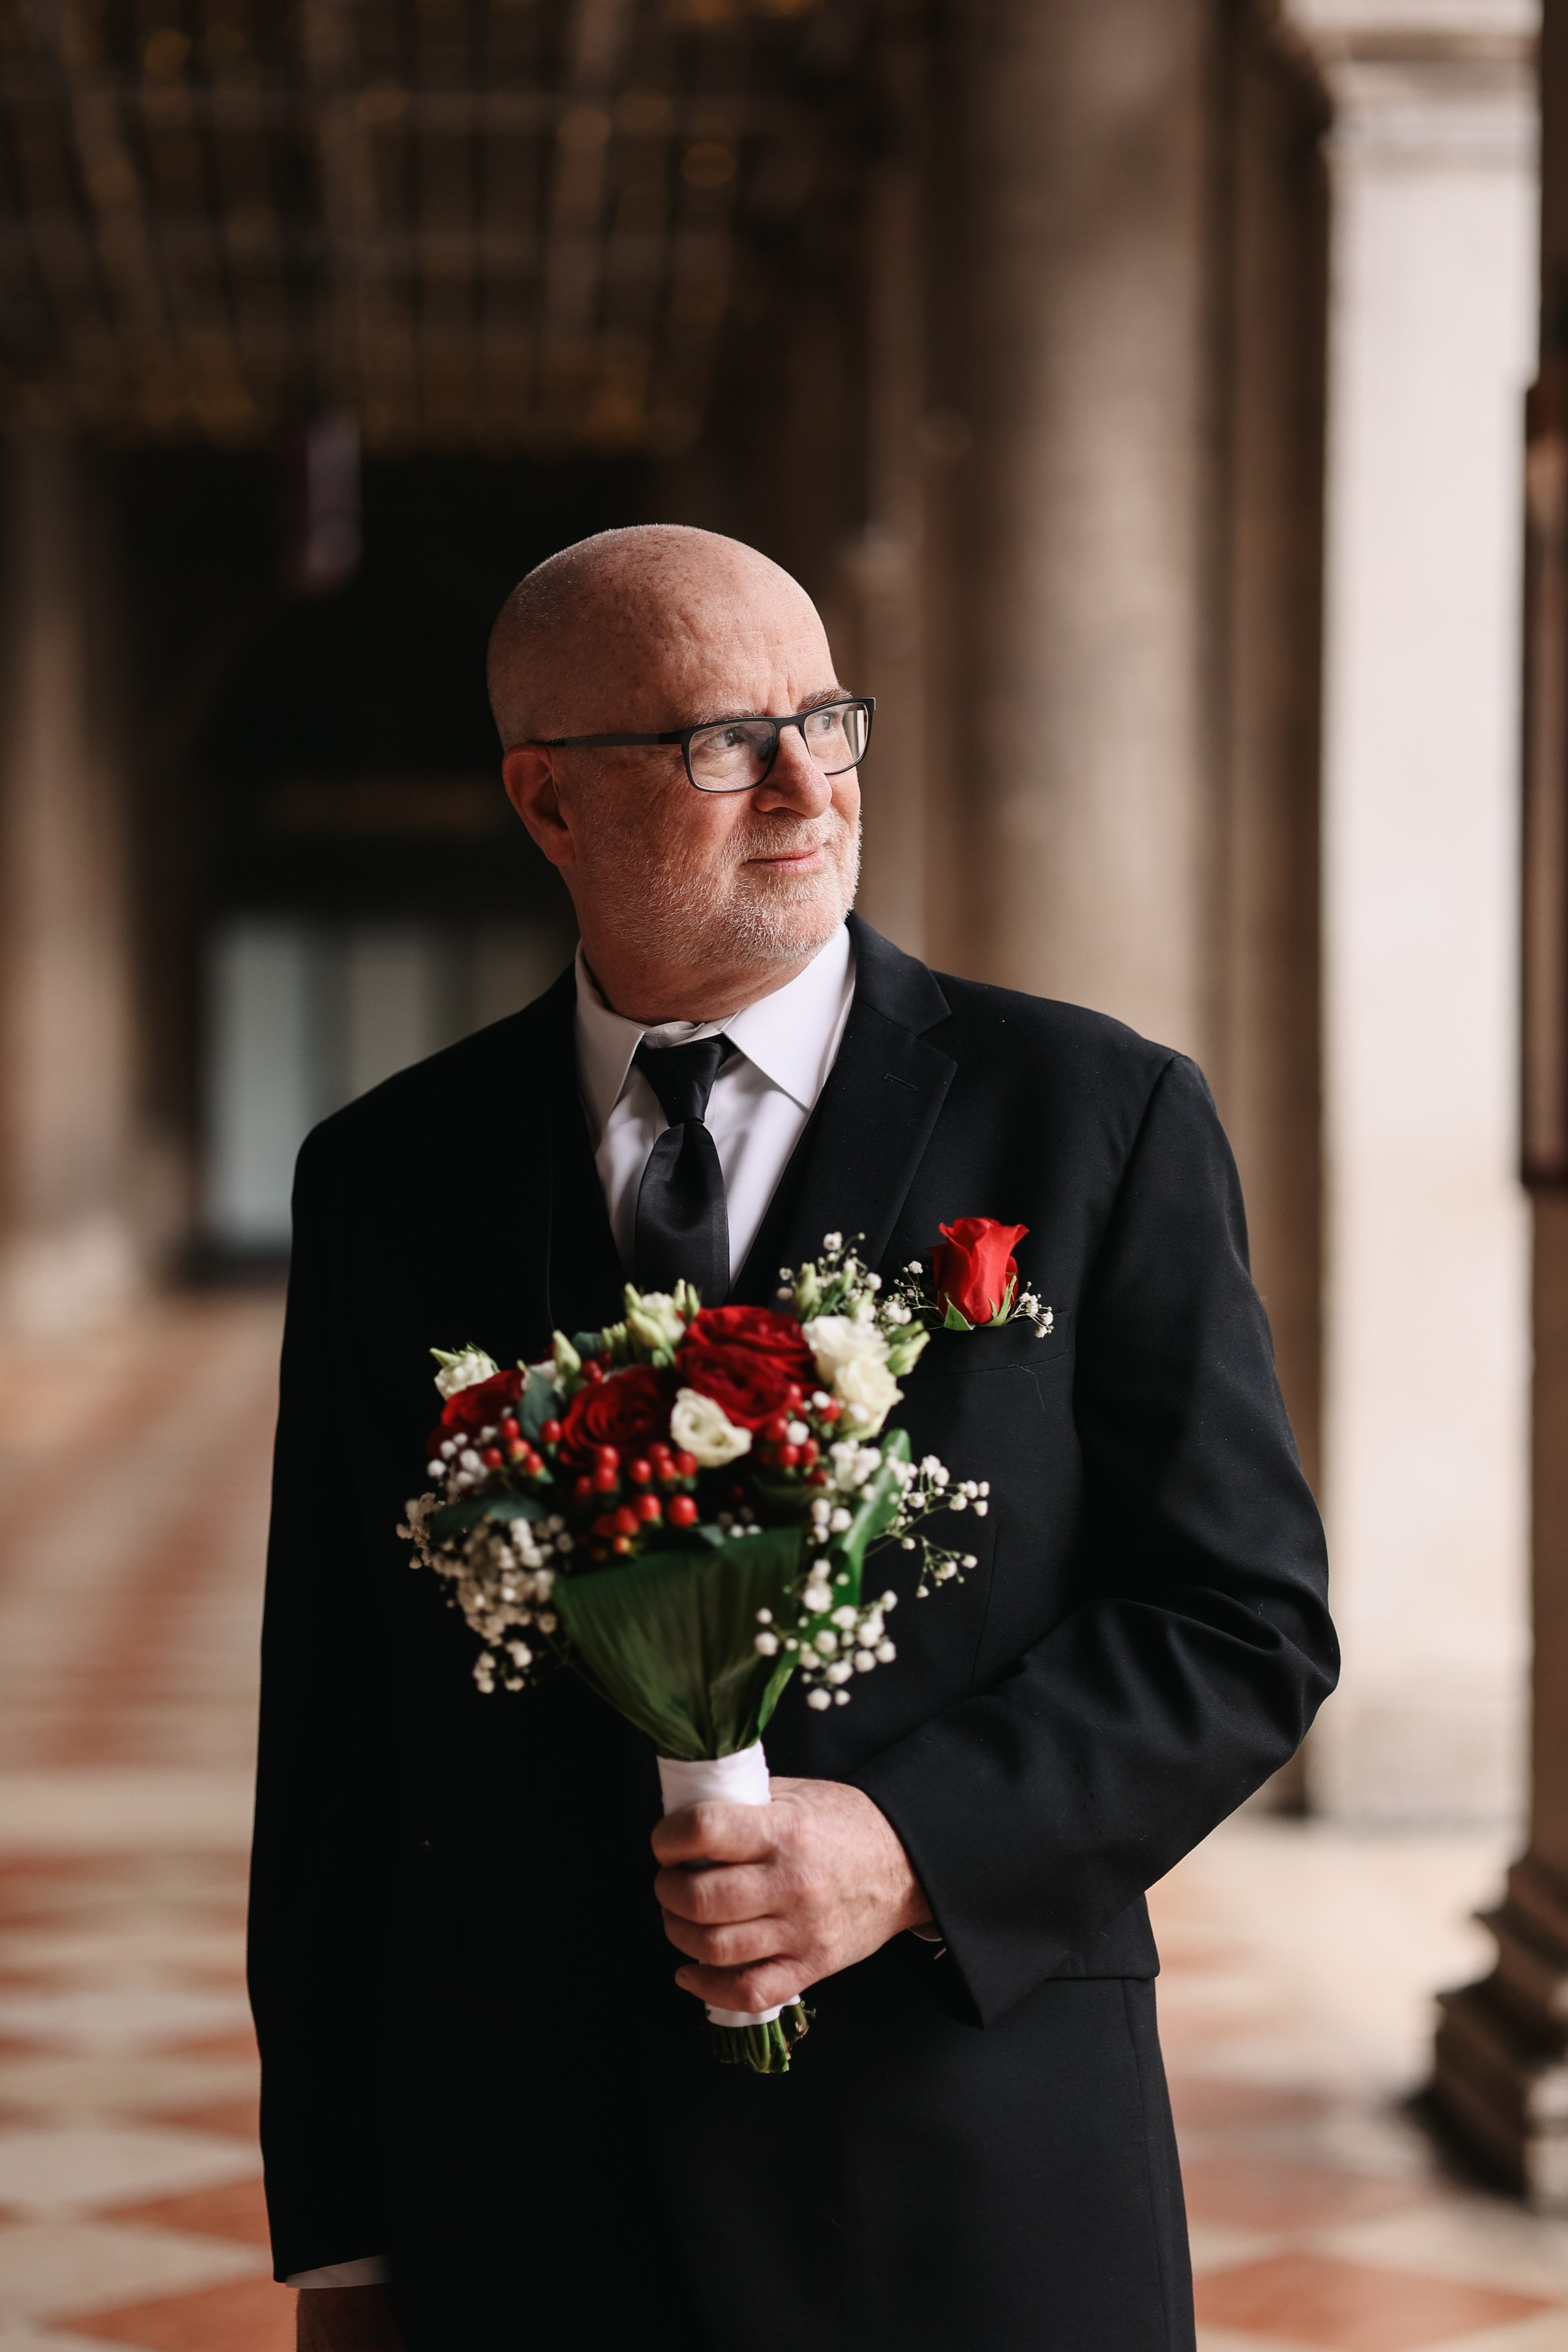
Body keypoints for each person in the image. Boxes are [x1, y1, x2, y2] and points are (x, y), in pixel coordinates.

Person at [249, 525, 1336, 2352]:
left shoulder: (1100, 1114)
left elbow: (1242, 1625)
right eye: (720, 742)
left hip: (972, 2184)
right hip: (532, 2205)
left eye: (825, 719)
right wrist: (350, 2254)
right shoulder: (385, 1178)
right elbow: (340, 1731)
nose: (807, 785)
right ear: (546, 799)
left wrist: (911, 1842)